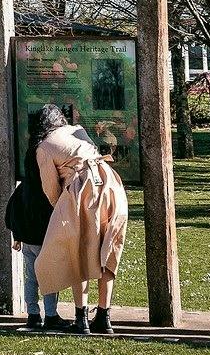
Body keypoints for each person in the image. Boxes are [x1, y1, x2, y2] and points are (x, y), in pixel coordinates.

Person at [33, 102, 129, 334]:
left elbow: (50, 188)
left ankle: (81, 318)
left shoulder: (44, 147)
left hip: (81, 190)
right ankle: (104, 317)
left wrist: (62, 208)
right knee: (108, 250)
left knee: (79, 252)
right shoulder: (77, 129)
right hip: (110, 184)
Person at [7, 108, 65, 331]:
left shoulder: (31, 148)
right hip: (43, 222)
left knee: (32, 274)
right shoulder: (47, 150)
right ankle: (51, 314)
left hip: (26, 222)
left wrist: (17, 232)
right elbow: (51, 188)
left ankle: (33, 314)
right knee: (49, 272)